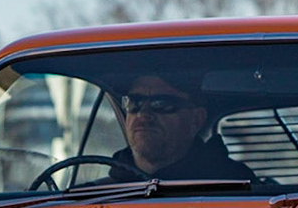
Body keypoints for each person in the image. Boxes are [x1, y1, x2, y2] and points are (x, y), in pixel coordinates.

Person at [105, 74, 254, 182]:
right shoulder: (97, 196)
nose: (143, 115)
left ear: (196, 119)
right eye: (134, 103)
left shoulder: (235, 186)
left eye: (161, 104)